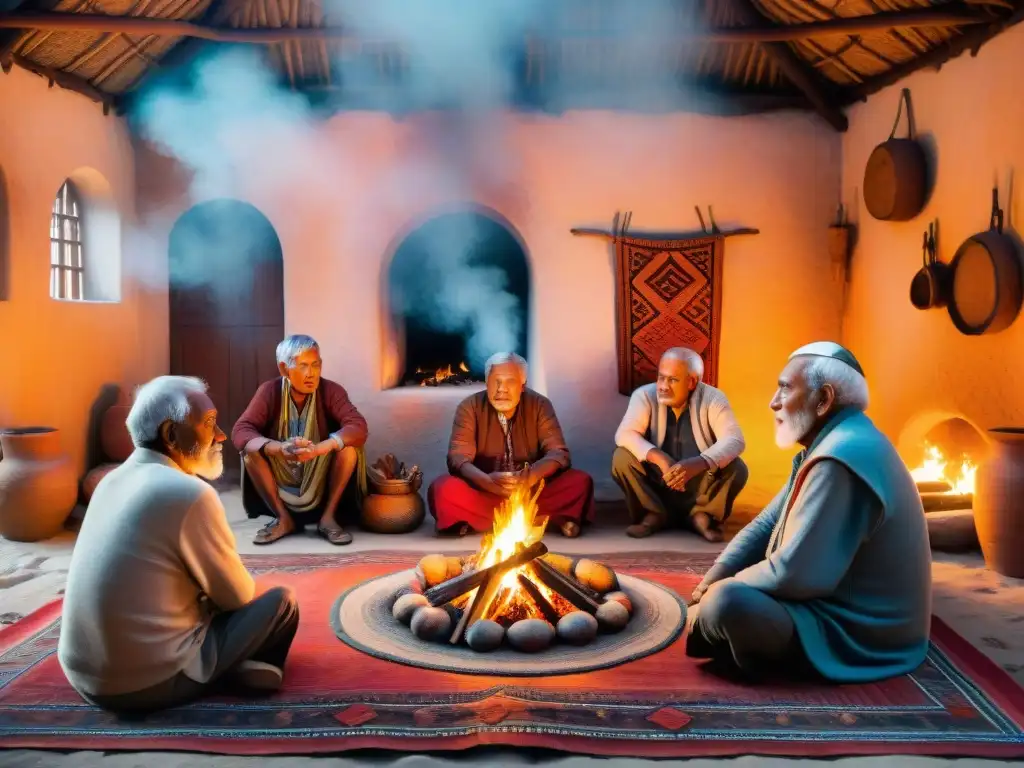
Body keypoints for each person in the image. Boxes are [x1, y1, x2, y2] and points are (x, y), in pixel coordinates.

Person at [685, 342, 932, 683]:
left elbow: (795, 576)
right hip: (831, 604)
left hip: (855, 632)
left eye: (785, 388)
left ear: (824, 399)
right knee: (722, 591)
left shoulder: (841, 456)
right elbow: (766, 523)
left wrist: (715, 594)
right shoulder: (837, 440)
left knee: (728, 604)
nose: (773, 402)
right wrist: (716, 573)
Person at [58, 376, 299, 714]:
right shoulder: (189, 493)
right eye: (211, 424)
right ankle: (231, 670)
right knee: (282, 604)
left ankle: (236, 665)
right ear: (171, 434)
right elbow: (238, 597)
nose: (221, 436)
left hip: (81, 675)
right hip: (143, 684)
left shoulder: (110, 480)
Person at [428, 352, 595, 538]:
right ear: (486, 382)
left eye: (510, 382)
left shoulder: (540, 405)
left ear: (522, 386)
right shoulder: (469, 407)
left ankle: (481, 522)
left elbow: (558, 453)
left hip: (532, 492)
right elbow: (458, 458)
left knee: (580, 482)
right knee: (443, 488)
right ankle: (539, 521)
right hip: (485, 492)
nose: (501, 389)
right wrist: (487, 481)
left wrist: (530, 477)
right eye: (496, 381)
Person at [232, 334, 368, 546]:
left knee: (348, 449)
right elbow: (241, 430)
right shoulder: (269, 391)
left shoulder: (331, 391)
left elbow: (358, 426)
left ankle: (328, 518)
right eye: (303, 366)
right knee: (250, 453)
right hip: (281, 466)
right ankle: (283, 519)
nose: (311, 374)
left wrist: (321, 448)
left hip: (319, 468)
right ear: (284, 369)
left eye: (315, 365)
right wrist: (277, 448)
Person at [612, 347, 748, 541]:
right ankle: (653, 513)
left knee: (738, 467)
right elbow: (624, 434)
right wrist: (660, 458)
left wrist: (699, 463)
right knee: (621, 457)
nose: (663, 386)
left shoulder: (713, 398)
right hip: (658, 484)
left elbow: (734, 439)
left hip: (699, 487)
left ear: (692, 382)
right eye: (661, 377)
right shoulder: (644, 395)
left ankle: (703, 515)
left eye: (672, 380)